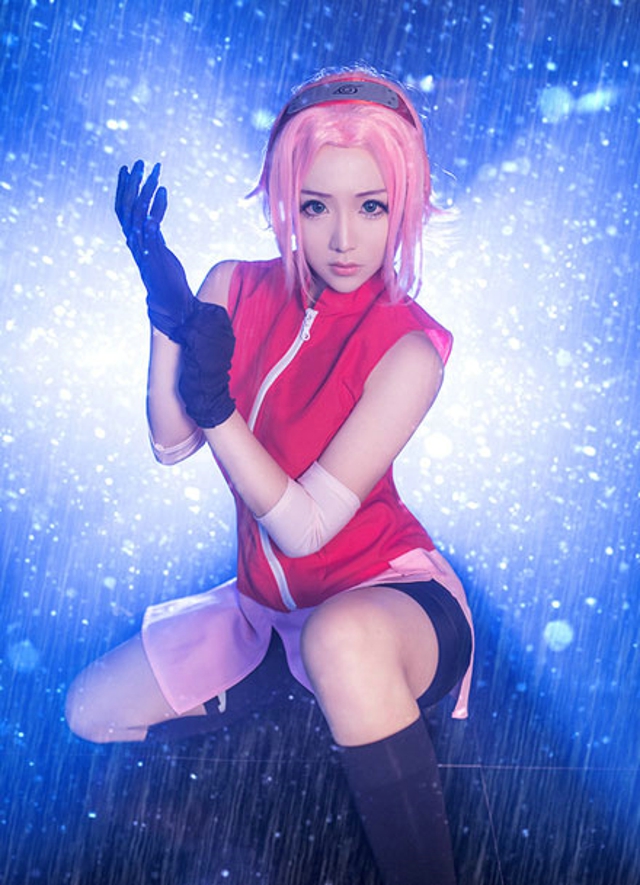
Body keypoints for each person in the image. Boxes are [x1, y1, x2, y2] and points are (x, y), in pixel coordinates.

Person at [65, 68, 474, 885]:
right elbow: (170, 442)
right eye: (317, 206)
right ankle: (299, 694)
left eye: (372, 207)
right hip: (264, 609)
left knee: (340, 640)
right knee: (90, 710)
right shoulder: (234, 284)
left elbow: (305, 527)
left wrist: (219, 408)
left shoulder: (411, 347)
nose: (344, 239)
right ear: (289, 202)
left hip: (388, 601)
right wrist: (168, 320)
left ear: (403, 206)